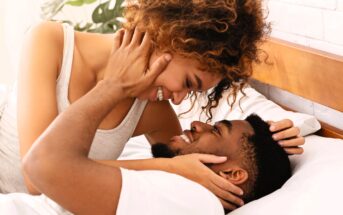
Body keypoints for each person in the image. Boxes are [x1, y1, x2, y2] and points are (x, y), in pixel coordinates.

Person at [0, 0, 303, 209]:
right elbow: (35, 180)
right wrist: (167, 166)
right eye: (188, 83)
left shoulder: (152, 110)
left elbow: (199, 155)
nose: (181, 98)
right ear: (171, 37)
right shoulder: (49, 41)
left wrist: (276, 136)